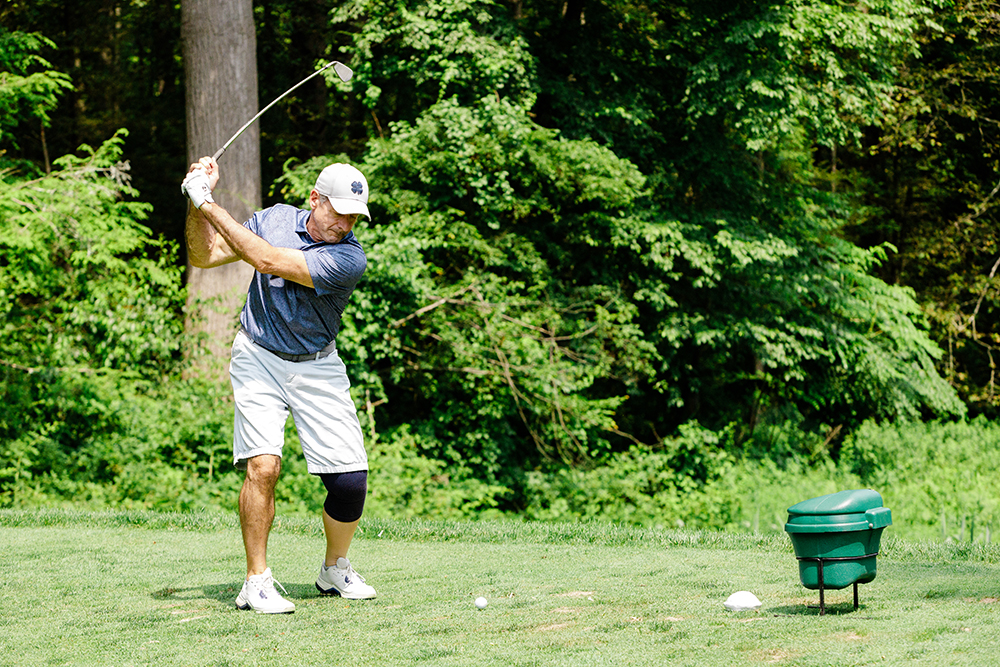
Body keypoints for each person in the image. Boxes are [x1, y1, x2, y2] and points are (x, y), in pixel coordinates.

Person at [181, 156, 376, 614]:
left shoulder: (349, 258)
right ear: (315, 199)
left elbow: (265, 259)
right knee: (263, 466)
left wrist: (207, 203)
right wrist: (195, 202)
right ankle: (257, 581)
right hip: (258, 355)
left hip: (317, 364)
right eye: (339, 212)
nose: (345, 224)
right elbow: (204, 256)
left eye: (354, 217)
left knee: (350, 483)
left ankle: (334, 568)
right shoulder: (274, 219)